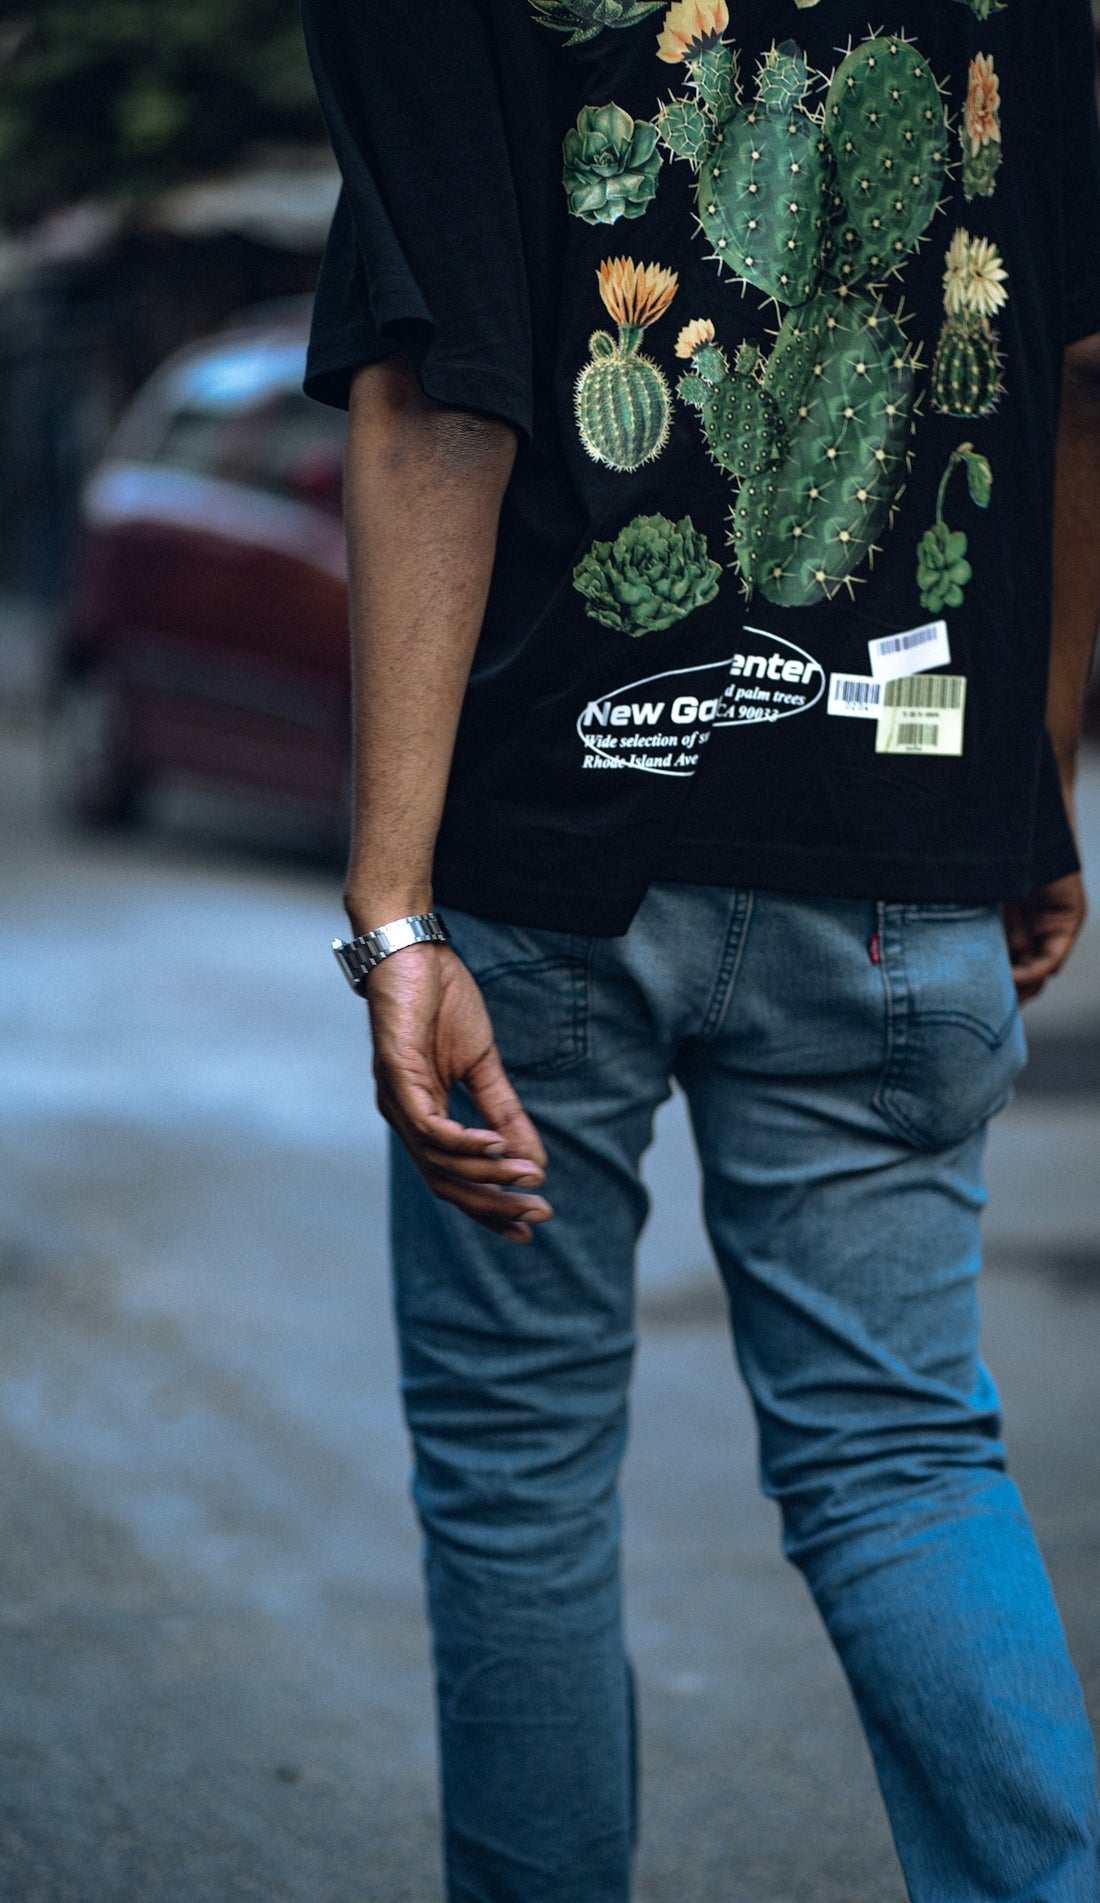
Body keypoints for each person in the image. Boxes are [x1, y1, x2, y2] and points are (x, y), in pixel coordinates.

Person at [302, 0, 1100, 1896]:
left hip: (540, 865)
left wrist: (395, 913)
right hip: (903, 848)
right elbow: (1077, 379)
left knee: (521, 1486)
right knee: (902, 1459)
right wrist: (1028, 776)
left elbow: (445, 402)